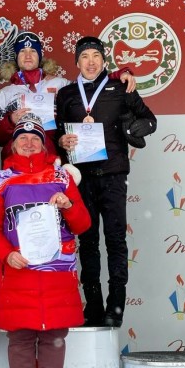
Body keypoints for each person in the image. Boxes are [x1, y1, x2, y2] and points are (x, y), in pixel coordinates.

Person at [0, 114, 91, 368]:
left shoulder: (62, 178)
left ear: (45, 145)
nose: (29, 143)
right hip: (20, 270)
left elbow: (82, 225)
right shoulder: (0, 180)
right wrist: (6, 254)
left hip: (57, 273)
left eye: (35, 139)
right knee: (20, 340)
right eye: (22, 138)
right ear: (12, 144)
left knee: (55, 338)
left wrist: (69, 205)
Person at [55, 36, 157, 328]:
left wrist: (129, 130)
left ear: (103, 60)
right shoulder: (66, 94)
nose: (90, 62)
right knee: (87, 241)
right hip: (80, 177)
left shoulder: (120, 86)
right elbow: (57, 136)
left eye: (95, 56)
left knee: (115, 240)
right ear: (77, 62)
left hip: (113, 175)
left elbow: (150, 120)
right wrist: (62, 140)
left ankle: (116, 303)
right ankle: (94, 306)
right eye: (84, 56)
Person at [0, 31, 137, 165]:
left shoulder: (61, 84)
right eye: (22, 51)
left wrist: (117, 76)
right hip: (16, 165)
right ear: (16, 57)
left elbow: (90, 84)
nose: (28, 56)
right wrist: (10, 121)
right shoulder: (4, 94)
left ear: (41, 56)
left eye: (33, 51)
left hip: (53, 161)